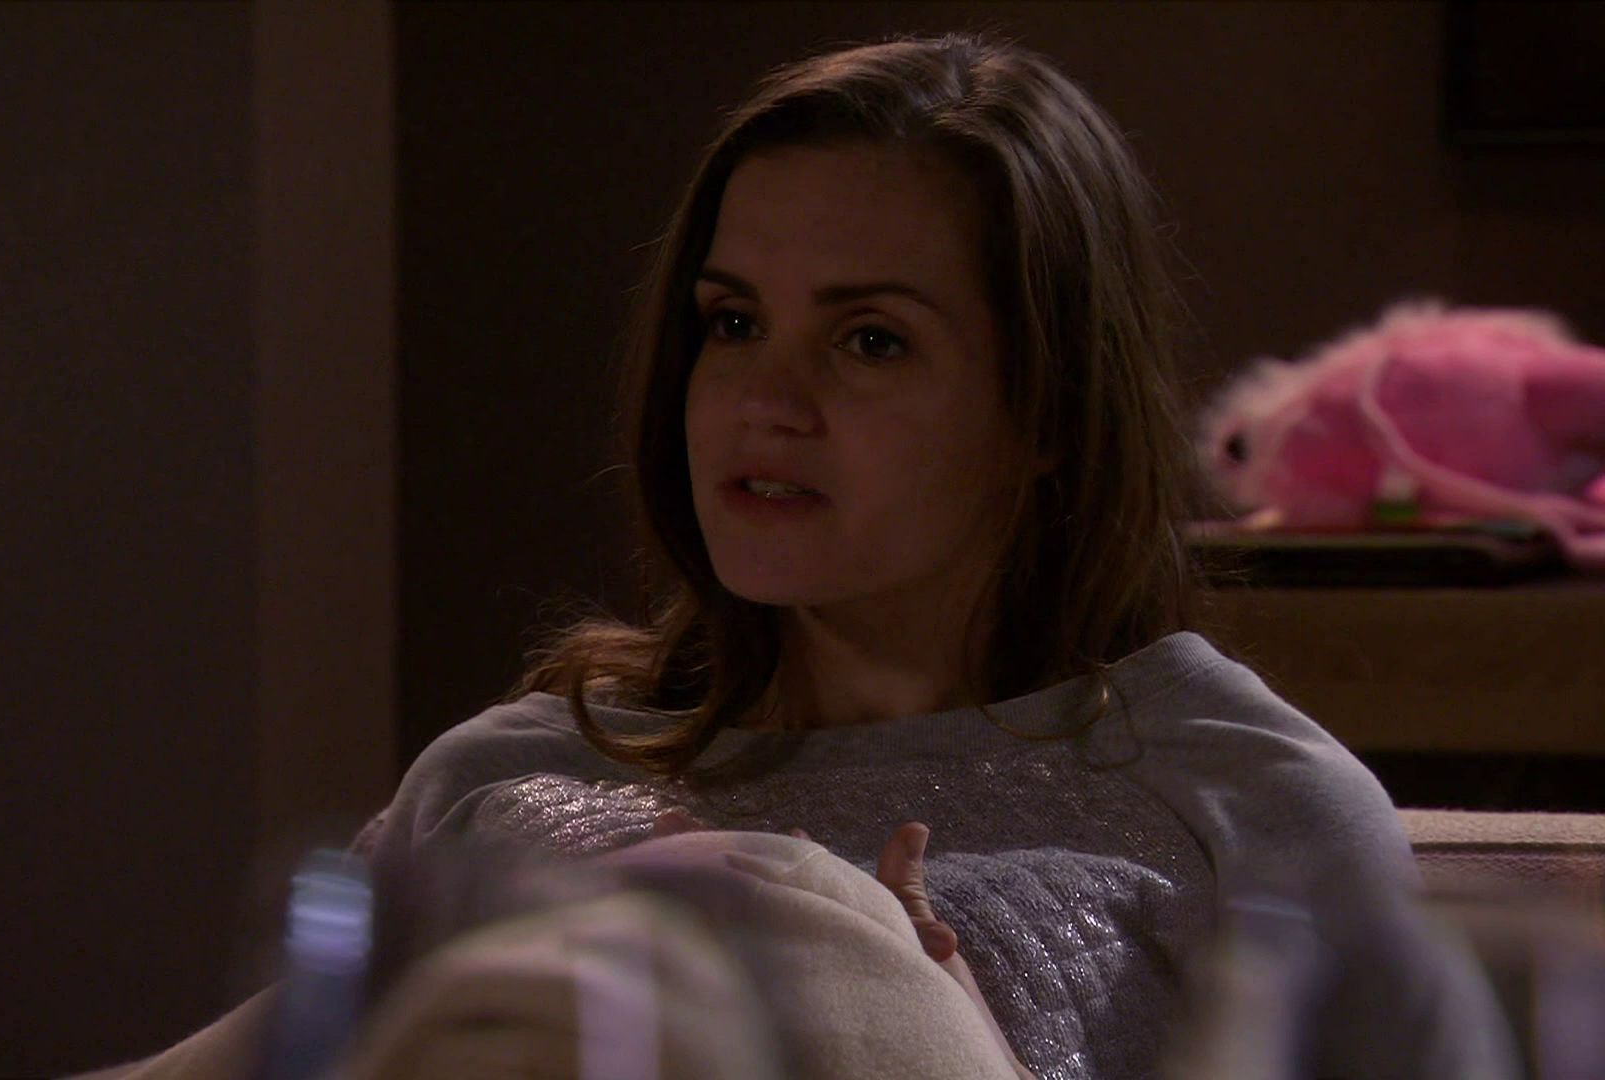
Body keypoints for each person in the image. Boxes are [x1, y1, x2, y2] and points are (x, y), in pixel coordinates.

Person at [349, 30, 1518, 1080]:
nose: (766, 401)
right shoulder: (501, 777)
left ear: (1049, 407)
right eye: (735, 323)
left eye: (870, 340)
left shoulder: (1246, 808)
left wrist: (931, 1037)